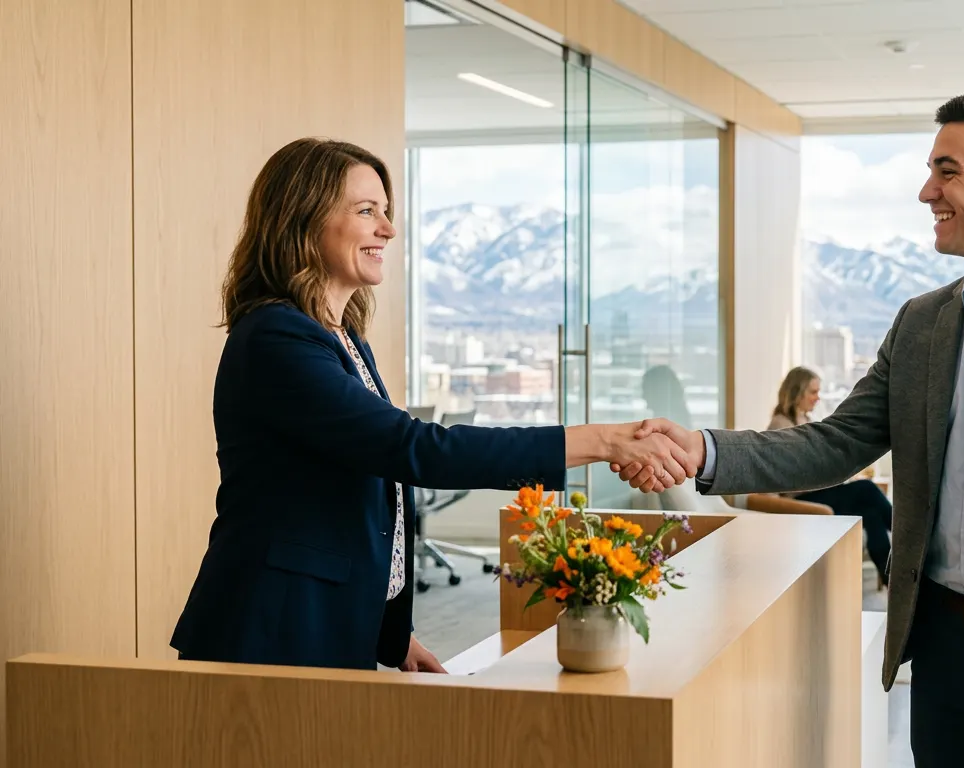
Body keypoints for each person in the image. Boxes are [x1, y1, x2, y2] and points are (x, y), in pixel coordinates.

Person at [618, 91, 964, 765]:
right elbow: (835, 441)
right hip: (941, 650)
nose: (927, 192)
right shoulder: (921, 323)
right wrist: (702, 449)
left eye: (948, 171)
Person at [170, 138, 691, 673]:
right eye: (366, 211)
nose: (388, 230)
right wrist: (602, 441)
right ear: (303, 220)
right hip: (269, 632)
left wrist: (389, 634)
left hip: (326, 625)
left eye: (386, 212)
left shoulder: (341, 336)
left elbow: (364, 495)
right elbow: (410, 449)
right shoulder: (276, 339)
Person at [767, 366, 892, 589]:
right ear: (797, 393)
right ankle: (908, 533)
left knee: (871, 515)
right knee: (866, 488)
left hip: (821, 492)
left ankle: (891, 580)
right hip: (803, 500)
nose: (817, 398)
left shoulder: (805, 419)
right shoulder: (780, 425)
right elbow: (791, 473)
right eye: (813, 392)